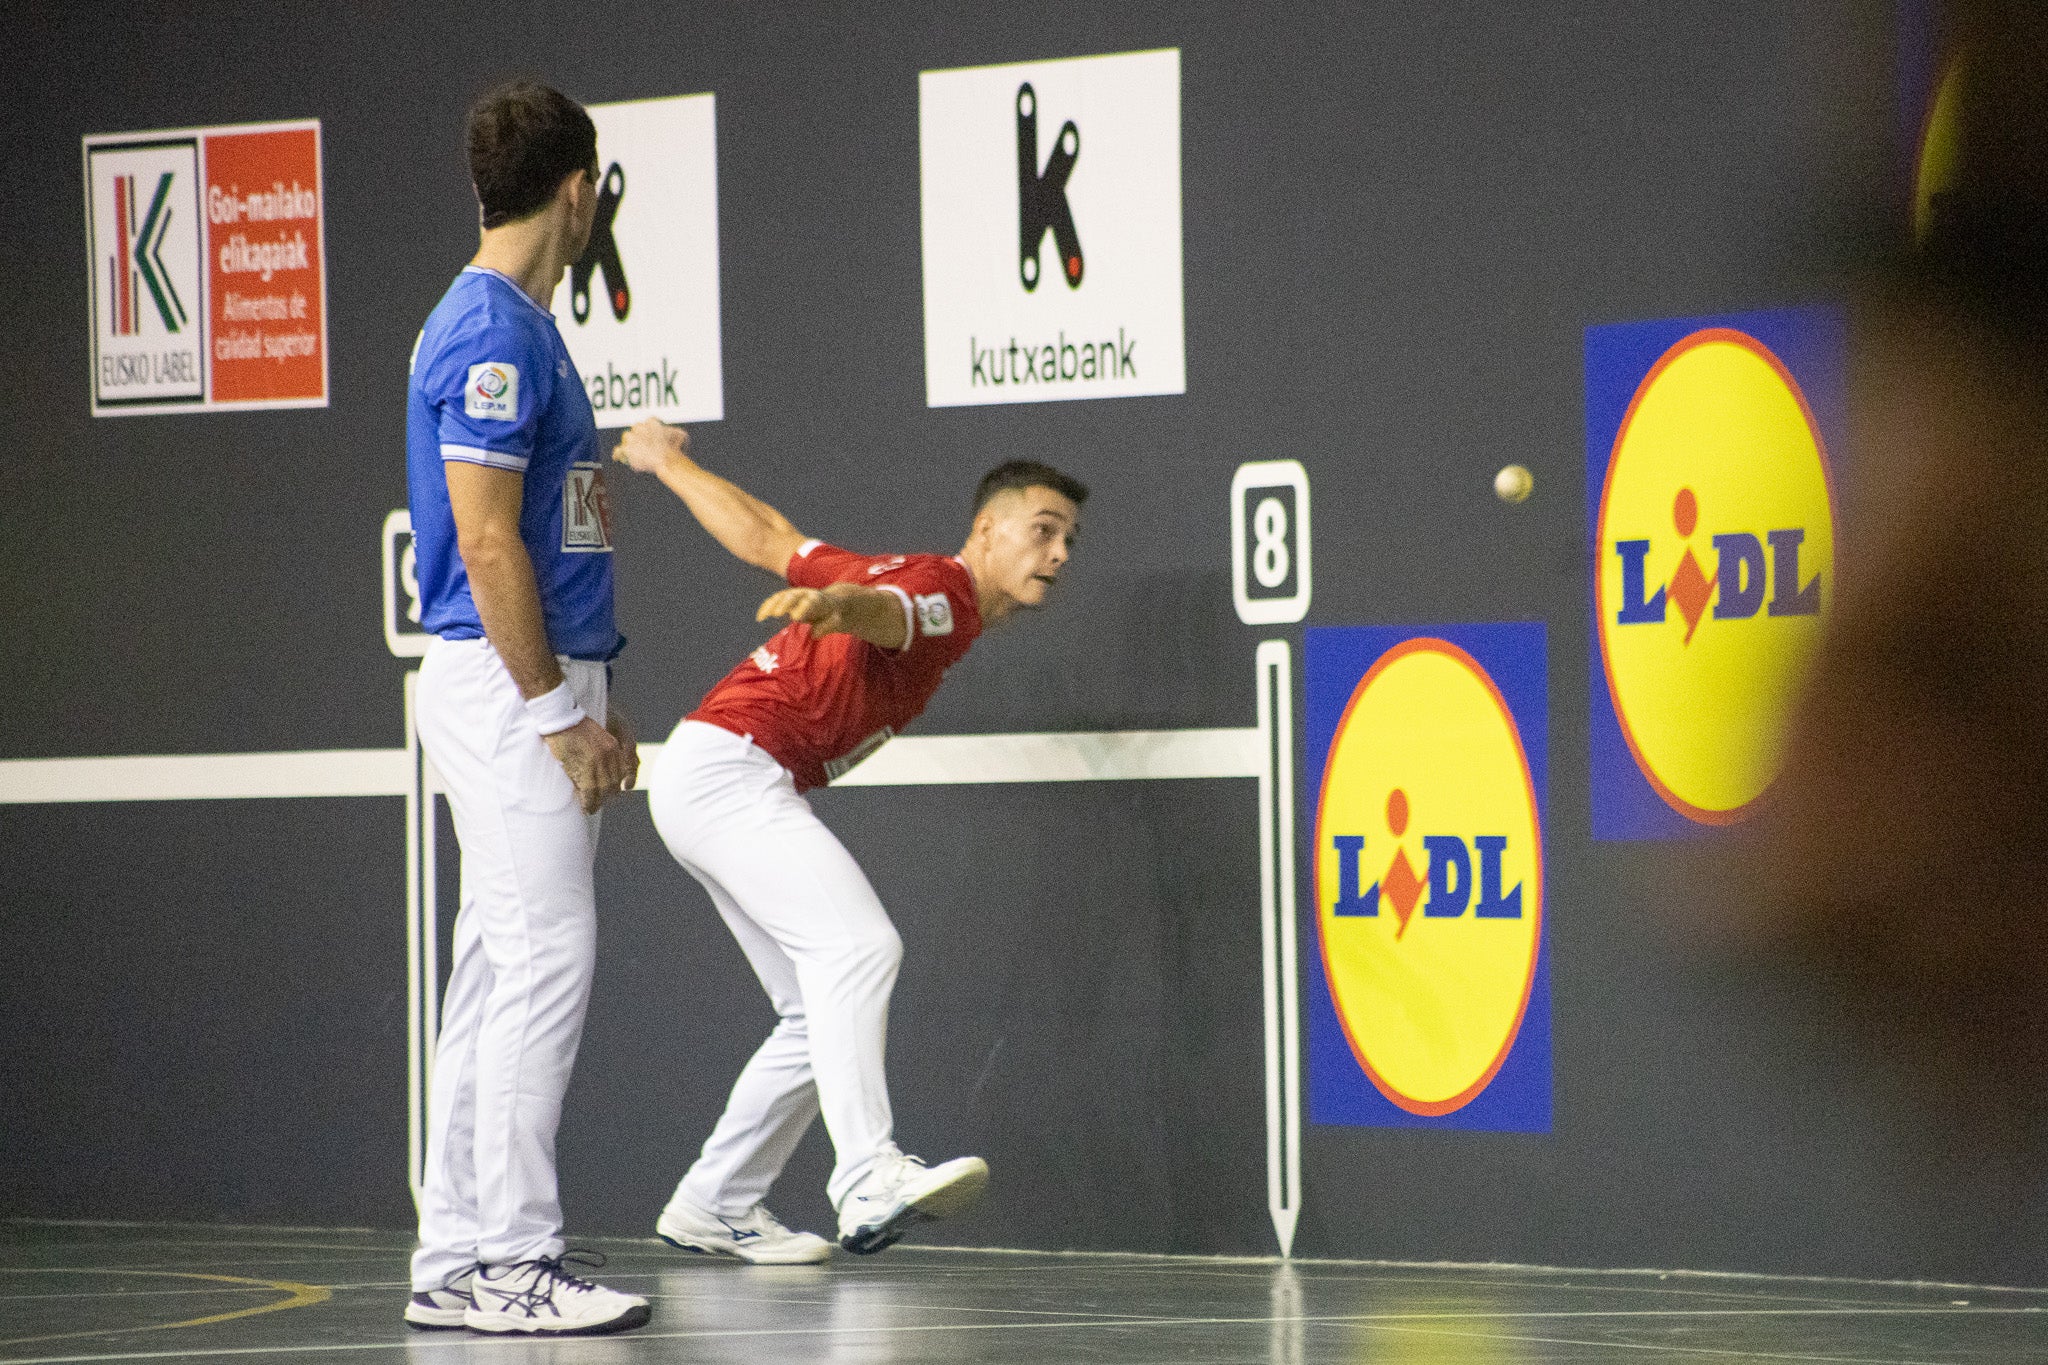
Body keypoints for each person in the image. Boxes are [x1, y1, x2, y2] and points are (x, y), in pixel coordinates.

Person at [611, 417, 1086, 1262]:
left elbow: (769, 538)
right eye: (1042, 530)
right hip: (731, 771)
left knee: (811, 1009)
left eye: (1068, 541)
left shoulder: (904, 576)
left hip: (707, 773)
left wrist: (668, 461)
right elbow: (891, 614)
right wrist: (842, 610)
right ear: (986, 528)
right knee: (861, 949)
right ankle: (867, 1175)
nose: (1057, 553)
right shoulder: (940, 590)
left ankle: (716, 1200)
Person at [400, 81, 649, 1336]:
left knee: (499, 968)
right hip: (508, 696)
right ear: (576, 192)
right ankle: (512, 1257)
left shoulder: (514, 325)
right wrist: (559, 711)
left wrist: (586, 690)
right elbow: (489, 548)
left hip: (531, 684)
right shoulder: (490, 336)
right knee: (544, 957)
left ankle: (456, 1255)